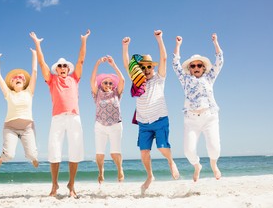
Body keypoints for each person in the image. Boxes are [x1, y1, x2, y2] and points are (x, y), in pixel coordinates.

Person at [30, 29, 91, 198]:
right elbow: (42, 64)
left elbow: (81, 59)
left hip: (74, 117)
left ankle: (71, 185)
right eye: (59, 66)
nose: (62, 68)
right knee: (54, 151)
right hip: (57, 118)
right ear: (56, 69)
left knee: (75, 151)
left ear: (68, 69)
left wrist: (84, 40)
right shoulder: (52, 80)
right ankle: (54, 185)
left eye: (65, 66)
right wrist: (37, 44)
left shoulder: (74, 78)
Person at [122, 30, 180, 195]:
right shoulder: (137, 81)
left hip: (160, 119)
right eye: (143, 67)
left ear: (152, 68)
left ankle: (170, 161)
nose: (146, 69)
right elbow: (127, 64)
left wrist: (159, 39)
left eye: (149, 67)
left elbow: (164, 58)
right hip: (143, 123)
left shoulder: (159, 79)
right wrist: (125, 47)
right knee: (144, 152)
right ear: (139, 69)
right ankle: (150, 176)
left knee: (162, 148)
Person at [172, 33, 223, 182]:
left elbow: (219, 61)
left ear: (203, 67)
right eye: (193, 66)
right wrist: (178, 45)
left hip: (210, 117)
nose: (196, 67)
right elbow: (175, 65)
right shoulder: (185, 79)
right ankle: (197, 166)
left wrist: (215, 42)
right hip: (191, 120)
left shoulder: (209, 77)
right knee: (188, 151)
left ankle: (214, 165)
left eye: (199, 65)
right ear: (190, 68)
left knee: (214, 149)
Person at [0, 48, 39, 173]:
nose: (17, 78)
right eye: (14, 78)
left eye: (20, 78)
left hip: (27, 128)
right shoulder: (8, 94)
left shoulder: (29, 92)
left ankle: (33, 158)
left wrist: (35, 54)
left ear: (24, 83)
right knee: (9, 156)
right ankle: (0, 159)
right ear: (11, 84)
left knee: (32, 155)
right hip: (10, 128)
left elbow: (34, 71)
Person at [90, 55, 125, 184]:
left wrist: (113, 64)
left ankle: (120, 169)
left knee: (114, 152)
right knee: (100, 153)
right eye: (105, 82)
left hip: (115, 125)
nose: (108, 85)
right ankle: (101, 172)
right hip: (100, 126)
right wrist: (97, 63)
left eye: (110, 83)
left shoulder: (116, 93)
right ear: (101, 84)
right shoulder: (97, 93)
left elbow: (122, 79)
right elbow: (92, 79)